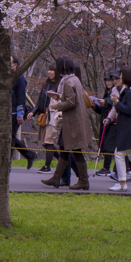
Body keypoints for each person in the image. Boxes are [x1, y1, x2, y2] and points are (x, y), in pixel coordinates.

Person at [42, 57, 93, 191]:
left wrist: (57, 105)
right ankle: (57, 177)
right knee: (64, 149)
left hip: (72, 122)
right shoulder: (74, 79)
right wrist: (60, 97)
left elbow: (71, 103)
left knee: (75, 150)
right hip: (75, 121)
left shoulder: (68, 82)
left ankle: (83, 180)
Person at [27, 63, 58, 173]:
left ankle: (47, 166)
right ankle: (63, 162)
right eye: (49, 69)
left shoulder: (60, 85)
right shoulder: (46, 83)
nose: (49, 72)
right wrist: (33, 112)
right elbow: (40, 100)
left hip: (53, 116)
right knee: (45, 142)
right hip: (44, 115)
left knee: (49, 142)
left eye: (52, 70)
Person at [11, 56, 36, 169]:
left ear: (15, 64)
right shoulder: (8, 77)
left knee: (9, 137)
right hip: (7, 111)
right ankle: (29, 155)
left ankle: (8, 161)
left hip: (15, 113)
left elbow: (21, 97)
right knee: (9, 137)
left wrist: (20, 114)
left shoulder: (20, 79)